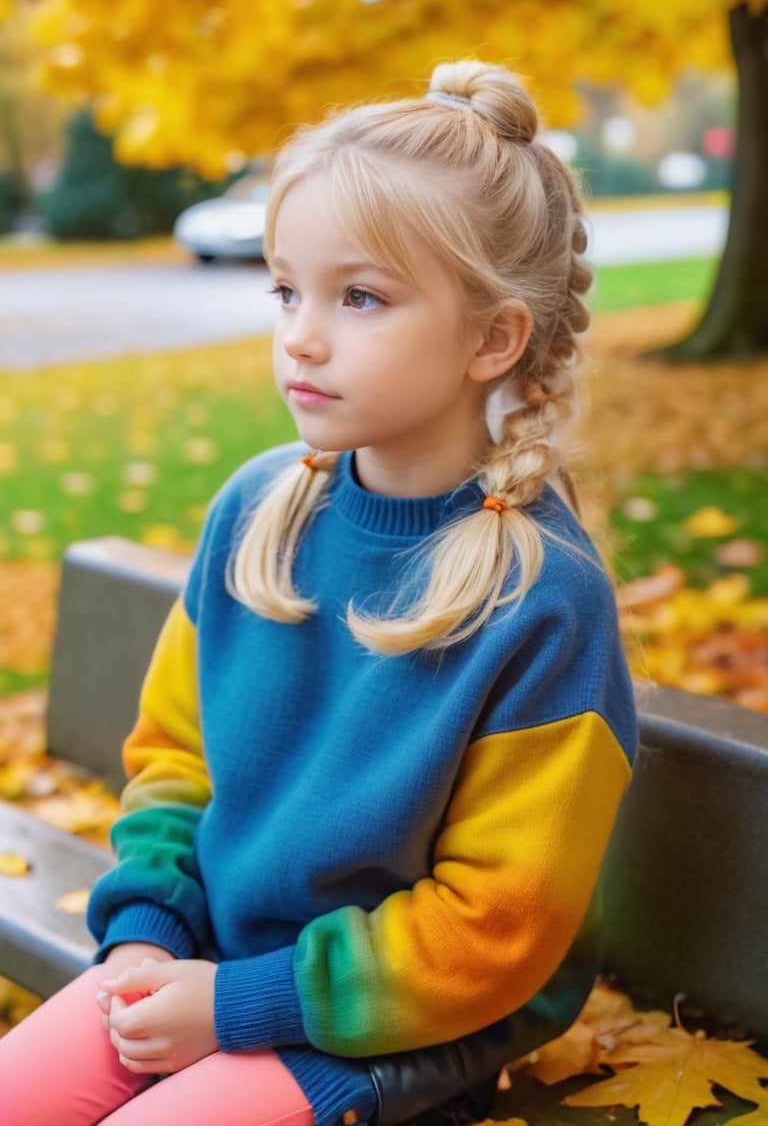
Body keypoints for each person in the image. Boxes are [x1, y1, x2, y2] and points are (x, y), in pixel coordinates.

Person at [0, 59, 637, 1126]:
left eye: (361, 297)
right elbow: (176, 761)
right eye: (286, 288)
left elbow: (497, 923)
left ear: (493, 338)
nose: (300, 332)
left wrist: (237, 1005)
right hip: (213, 956)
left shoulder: (540, 598)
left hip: (402, 1023)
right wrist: (149, 933)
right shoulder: (258, 512)